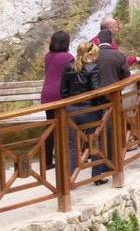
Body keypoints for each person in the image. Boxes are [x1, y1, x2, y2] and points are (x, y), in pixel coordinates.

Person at [91, 29, 129, 182]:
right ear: (112, 40)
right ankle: (112, 163)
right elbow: (126, 75)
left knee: (96, 132)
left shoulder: (93, 56)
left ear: (98, 41)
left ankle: (98, 166)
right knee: (113, 131)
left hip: (95, 100)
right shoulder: (118, 55)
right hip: (114, 98)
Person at [60, 42, 100, 179]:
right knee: (94, 141)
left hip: (71, 110)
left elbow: (63, 92)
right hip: (89, 111)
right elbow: (95, 91)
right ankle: (97, 176)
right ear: (92, 54)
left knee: (72, 146)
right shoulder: (93, 67)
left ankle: (70, 178)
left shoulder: (68, 67)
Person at [41, 31, 74, 170]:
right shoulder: (68, 57)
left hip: (47, 94)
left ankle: (47, 161)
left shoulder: (48, 56)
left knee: (51, 127)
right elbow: (73, 76)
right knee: (67, 126)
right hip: (60, 94)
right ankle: (67, 157)